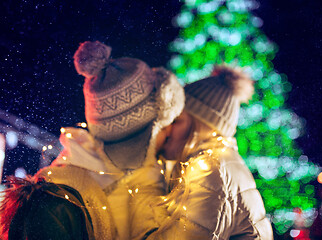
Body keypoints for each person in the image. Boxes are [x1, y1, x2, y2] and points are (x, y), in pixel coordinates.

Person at [0, 41, 185, 240]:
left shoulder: (124, 184)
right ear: (145, 132)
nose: (169, 134)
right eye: (164, 126)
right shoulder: (52, 205)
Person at [147, 65, 273, 239]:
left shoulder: (209, 170)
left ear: (201, 126)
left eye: (177, 120)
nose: (167, 128)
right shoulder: (224, 161)